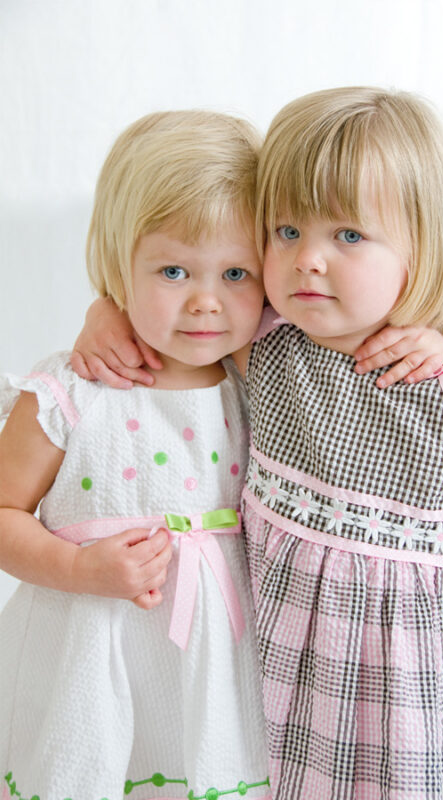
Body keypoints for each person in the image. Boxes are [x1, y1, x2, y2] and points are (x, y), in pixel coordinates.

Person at [76, 87, 443, 798]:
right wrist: (103, 307)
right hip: (281, 677)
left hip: (412, 692)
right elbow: (176, 311)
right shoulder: (269, 348)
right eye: (286, 231)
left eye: (347, 235)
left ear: (423, 247)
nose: (307, 260)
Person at [0, 110, 273, 800]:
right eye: (173, 270)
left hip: (218, 672)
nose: (207, 302)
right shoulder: (70, 392)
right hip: (89, 660)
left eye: (237, 271)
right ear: (118, 260)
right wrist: (76, 566)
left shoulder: (262, 382)